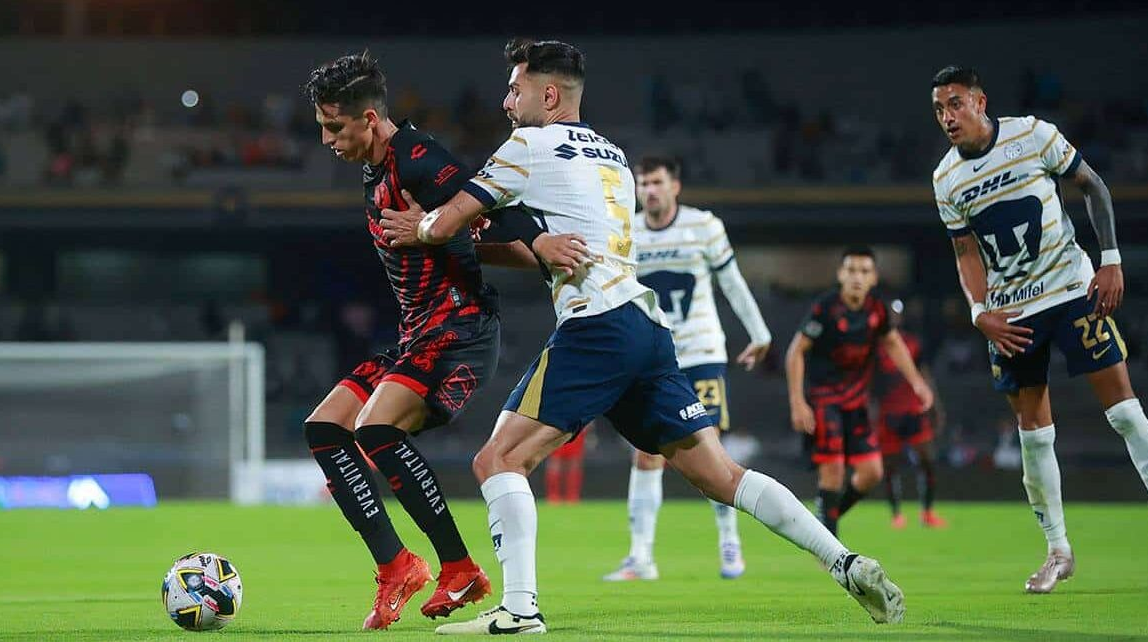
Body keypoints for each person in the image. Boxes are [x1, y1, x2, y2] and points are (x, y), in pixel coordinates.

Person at [380, 38, 905, 634]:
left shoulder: (528, 144)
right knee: (721, 476)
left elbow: (448, 218)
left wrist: (420, 228)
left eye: (516, 88)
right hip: (645, 328)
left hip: (595, 327)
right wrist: (506, 244)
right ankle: (843, 560)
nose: (506, 101)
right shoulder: (612, 155)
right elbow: (554, 252)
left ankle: (520, 609)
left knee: (497, 458)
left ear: (548, 95)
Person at [300, 52, 559, 630]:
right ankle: (397, 565)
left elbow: (486, 204)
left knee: (375, 429)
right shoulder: (377, 167)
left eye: (334, 126)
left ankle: (459, 566)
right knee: (323, 428)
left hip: (460, 331)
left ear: (369, 119)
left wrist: (541, 247)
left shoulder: (417, 158)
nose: (325, 139)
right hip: (420, 335)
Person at [931, 65, 1148, 592]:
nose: (947, 117)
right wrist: (979, 311)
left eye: (954, 103)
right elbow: (965, 250)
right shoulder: (946, 178)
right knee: (1033, 436)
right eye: (938, 109)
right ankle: (1058, 551)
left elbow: (1093, 187)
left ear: (980, 100)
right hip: (1014, 313)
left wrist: (1111, 259)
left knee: (1126, 413)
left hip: (1071, 290)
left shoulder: (1032, 134)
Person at [603, 154, 772, 582]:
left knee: (713, 453)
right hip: (653, 357)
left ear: (675, 186)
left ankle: (729, 541)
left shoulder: (704, 226)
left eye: (657, 182)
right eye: (643, 184)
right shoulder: (629, 231)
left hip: (700, 351)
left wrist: (759, 332)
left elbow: (731, 281)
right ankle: (641, 557)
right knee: (645, 453)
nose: (649, 191)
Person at [785, 247, 933, 536]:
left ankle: (823, 522)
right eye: (851, 270)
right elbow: (795, 352)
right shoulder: (825, 308)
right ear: (840, 274)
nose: (857, 277)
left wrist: (917, 382)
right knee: (834, 471)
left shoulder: (877, 309)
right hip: (825, 400)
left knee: (871, 473)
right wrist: (797, 401)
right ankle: (829, 546)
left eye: (864, 272)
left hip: (857, 402)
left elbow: (892, 343)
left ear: (873, 278)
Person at [874, 300, 947, 529]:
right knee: (890, 466)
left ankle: (927, 512)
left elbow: (925, 374)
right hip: (889, 413)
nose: (894, 318)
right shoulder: (875, 348)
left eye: (897, 314)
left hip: (914, 410)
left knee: (927, 461)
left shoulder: (913, 344)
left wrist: (936, 406)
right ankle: (896, 514)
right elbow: (870, 382)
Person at [545, 424, 588, 504]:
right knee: (555, 463)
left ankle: (572, 496)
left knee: (573, 464)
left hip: (576, 429)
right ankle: (553, 496)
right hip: (557, 428)